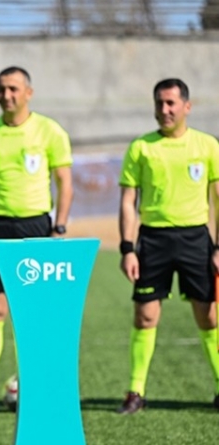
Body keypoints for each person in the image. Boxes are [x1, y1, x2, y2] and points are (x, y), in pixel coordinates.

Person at [0, 66, 73, 414]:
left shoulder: (50, 131)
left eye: (13, 88)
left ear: (28, 92)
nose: (6, 95)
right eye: (1, 89)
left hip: (37, 227)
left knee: (34, 314)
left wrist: (58, 229)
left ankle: (36, 387)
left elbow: (65, 183)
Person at [116, 78, 219, 414]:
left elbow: (218, 199)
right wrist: (127, 248)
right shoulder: (141, 147)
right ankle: (136, 391)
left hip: (195, 240)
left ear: (187, 106)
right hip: (153, 241)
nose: (165, 110)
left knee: (209, 316)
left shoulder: (207, 145)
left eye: (171, 103)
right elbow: (128, 201)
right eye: (160, 103)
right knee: (145, 316)